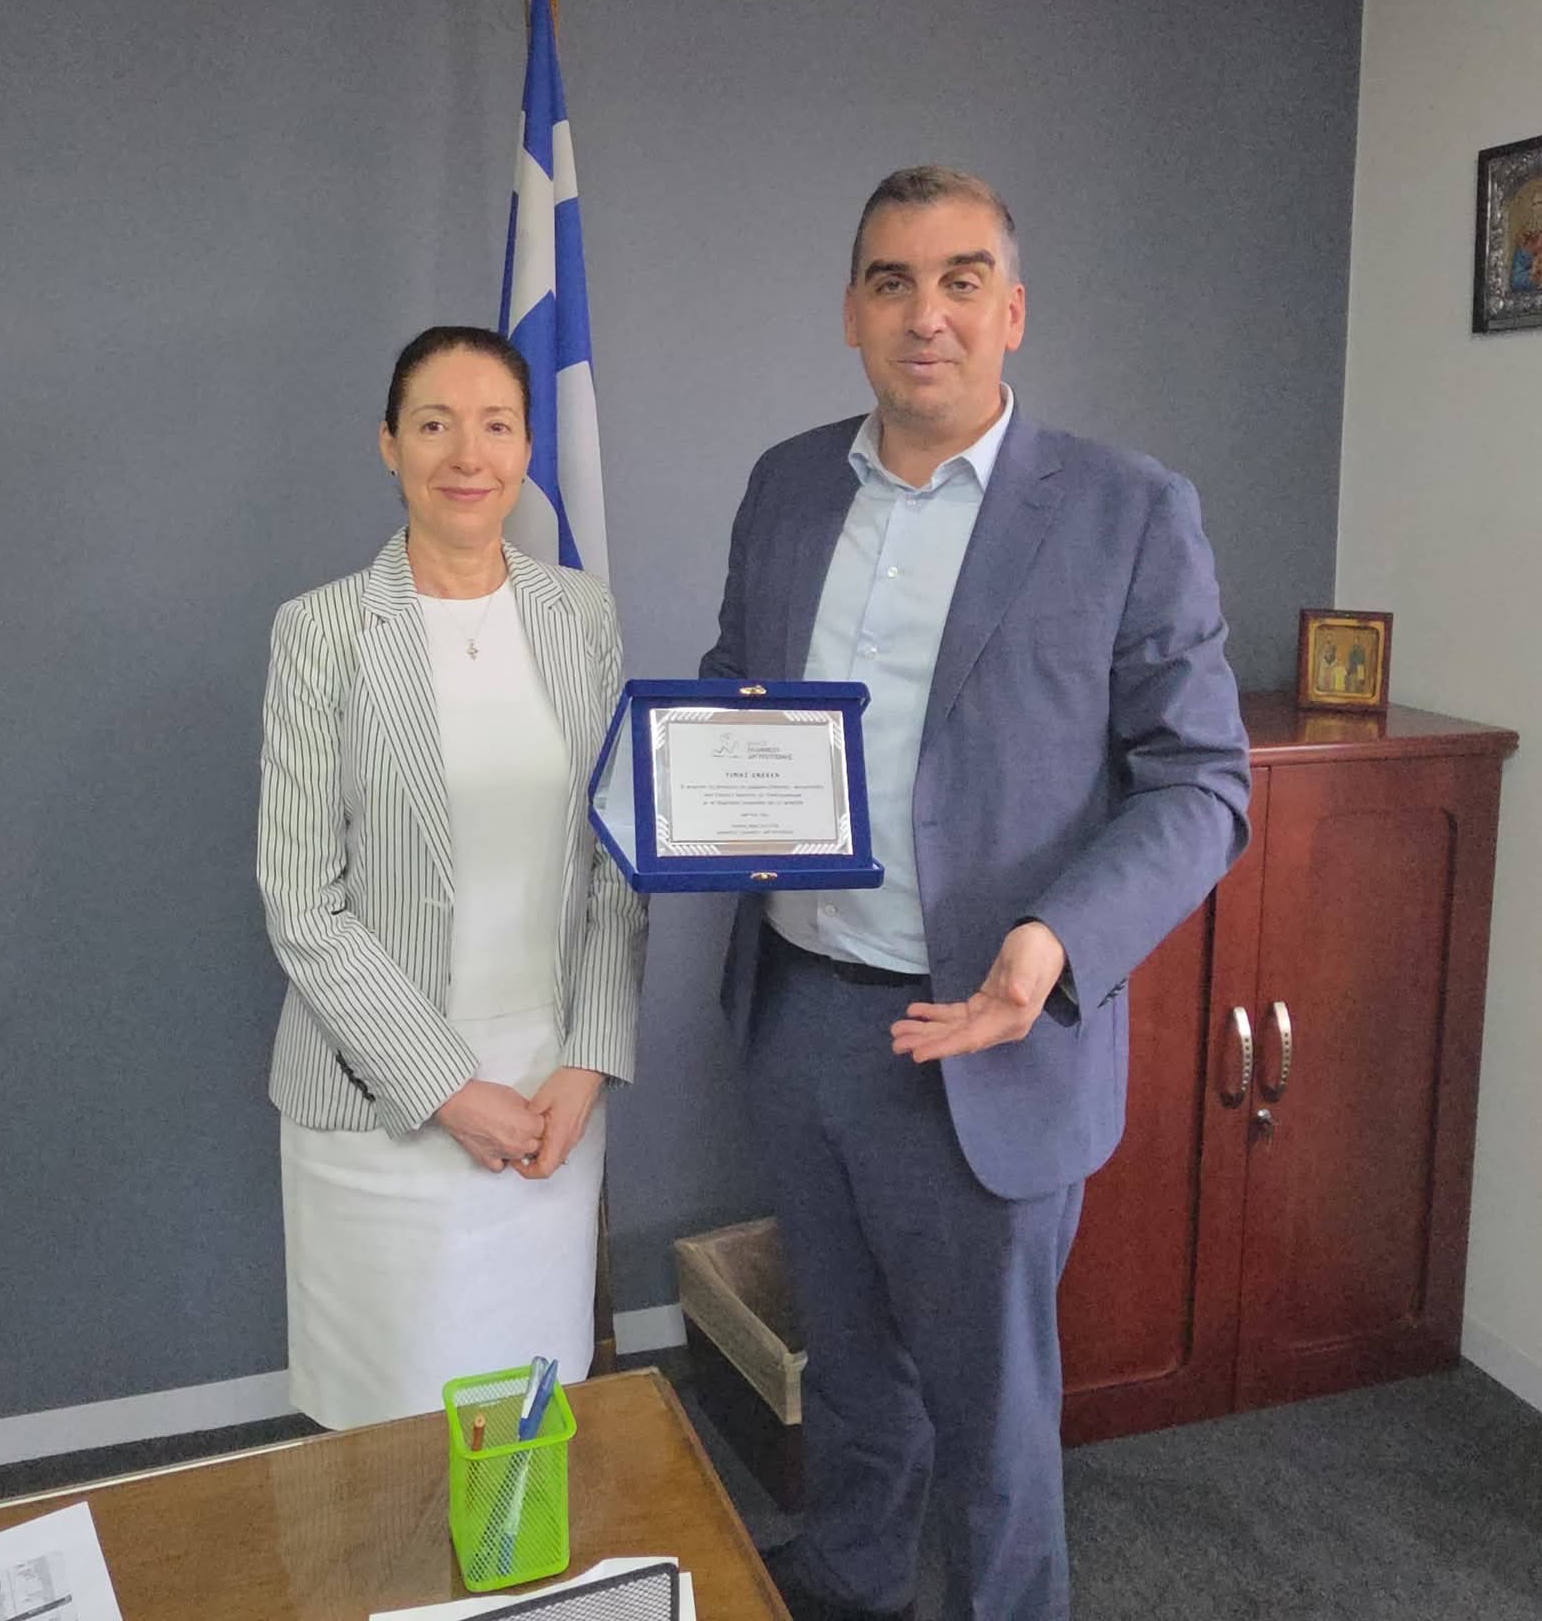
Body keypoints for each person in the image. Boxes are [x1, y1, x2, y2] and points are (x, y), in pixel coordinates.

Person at [701, 168, 1250, 1621]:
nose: (923, 314)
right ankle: (852, 1587)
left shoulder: (1126, 509)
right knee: (849, 1380)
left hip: (986, 1036)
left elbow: (1202, 782)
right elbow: (736, 691)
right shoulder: (788, 485)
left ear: (1011, 311)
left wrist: (1053, 940)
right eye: (890, 281)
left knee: (994, 1425)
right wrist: (679, 783)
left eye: (959, 281)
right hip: (801, 1013)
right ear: (850, 312)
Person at [258, 324, 648, 1429]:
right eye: (434, 424)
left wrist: (588, 1058)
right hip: (382, 1107)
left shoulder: (583, 616)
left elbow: (618, 861)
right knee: (387, 1441)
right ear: (389, 444)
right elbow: (301, 901)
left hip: (551, 1097)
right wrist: (444, 1088)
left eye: (496, 425)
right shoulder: (322, 630)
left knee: (527, 1421)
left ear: (526, 448)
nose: (466, 455)